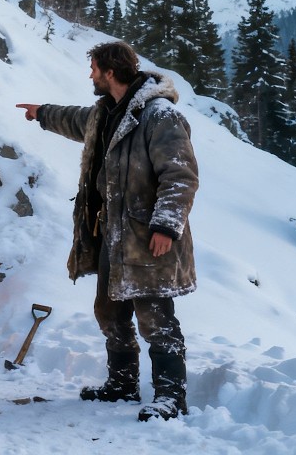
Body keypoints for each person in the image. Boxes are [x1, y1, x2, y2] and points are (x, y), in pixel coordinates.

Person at [16, 40, 197, 422]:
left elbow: (180, 175)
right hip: (113, 235)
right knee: (109, 312)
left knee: (155, 317)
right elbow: (76, 120)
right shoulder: (108, 112)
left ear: (109, 72)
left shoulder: (159, 115)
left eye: (94, 68)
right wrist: (42, 113)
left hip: (149, 237)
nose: (91, 75)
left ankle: (171, 396)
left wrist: (166, 226)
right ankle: (122, 384)